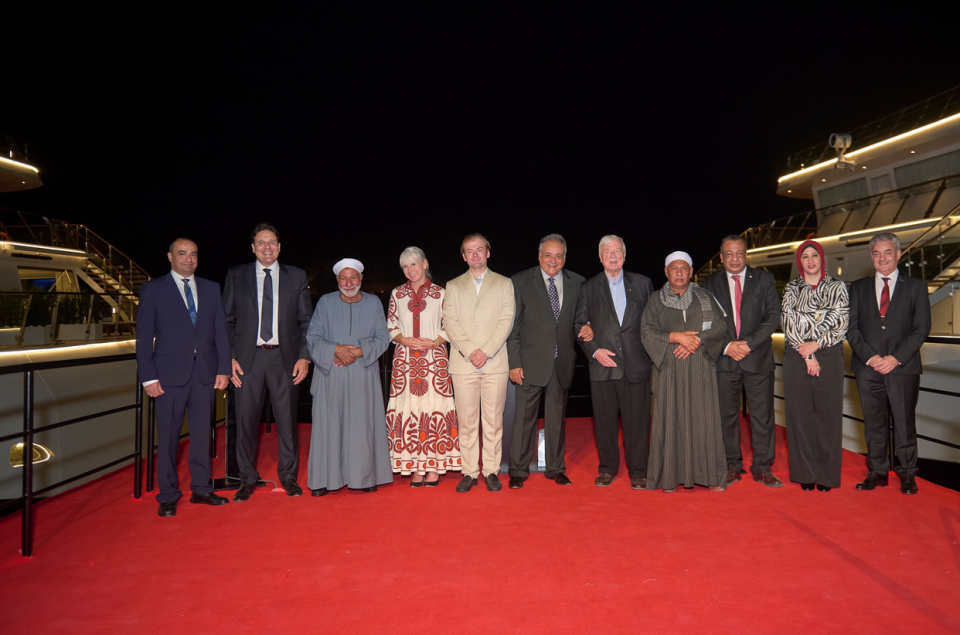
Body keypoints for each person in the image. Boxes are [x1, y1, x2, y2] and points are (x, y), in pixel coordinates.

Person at [136, 238, 232, 517]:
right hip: (166, 377)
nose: (188, 259)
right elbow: (143, 339)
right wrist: (148, 377)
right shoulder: (153, 290)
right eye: (182, 253)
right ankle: (167, 494)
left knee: (203, 435)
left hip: (204, 374)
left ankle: (201, 489)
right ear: (170, 256)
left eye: (193, 254)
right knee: (167, 438)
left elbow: (220, 334)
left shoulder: (211, 288)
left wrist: (223, 368)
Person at [222, 223, 313, 501]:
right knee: (246, 423)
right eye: (261, 243)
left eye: (272, 242)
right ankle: (247, 479)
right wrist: (229, 359)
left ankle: (288, 477)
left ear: (280, 246)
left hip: (284, 359)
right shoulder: (237, 275)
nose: (267, 247)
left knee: (287, 423)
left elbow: (306, 321)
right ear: (253, 248)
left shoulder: (296, 276)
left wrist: (304, 357)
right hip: (247, 360)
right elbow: (226, 321)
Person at [848, 232, 930, 495]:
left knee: (905, 422)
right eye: (876, 253)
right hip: (867, 367)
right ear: (871, 256)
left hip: (902, 368)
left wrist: (895, 358)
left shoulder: (916, 286)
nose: (881, 258)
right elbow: (851, 329)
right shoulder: (858, 287)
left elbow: (921, 329)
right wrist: (871, 357)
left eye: (887, 252)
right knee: (873, 423)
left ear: (898, 254)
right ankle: (877, 472)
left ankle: (908, 475)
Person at [640, 251, 727, 492]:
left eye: (684, 269)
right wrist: (675, 337)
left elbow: (721, 326)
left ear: (691, 272)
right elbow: (646, 331)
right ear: (666, 272)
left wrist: (697, 339)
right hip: (669, 369)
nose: (679, 273)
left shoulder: (706, 297)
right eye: (674, 269)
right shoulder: (655, 300)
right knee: (670, 419)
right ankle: (669, 476)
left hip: (701, 368)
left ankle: (710, 475)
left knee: (704, 419)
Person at [305, 258, 392, 495]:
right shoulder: (325, 301)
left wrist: (358, 352)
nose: (349, 282)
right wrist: (337, 349)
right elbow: (313, 337)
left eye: (353, 277)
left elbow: (383, 338)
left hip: (363, 373)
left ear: (361, 278)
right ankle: (325, 479)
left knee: (362, 425)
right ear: (337, 280)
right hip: (331, 373)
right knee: (329, 425)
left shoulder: (374, 302)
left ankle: (364, 477)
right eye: (343, 278)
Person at [506, 234, 588, 488]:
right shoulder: (520, 281)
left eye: (559, 255)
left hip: (561, 362)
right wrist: (514, 362)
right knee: (523, 420)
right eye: (548, 255)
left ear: (565, 258)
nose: (553, 260)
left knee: (556, 419)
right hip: (529, 363)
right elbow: (513, 327)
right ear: (539, 256)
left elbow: (579, 320)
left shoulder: (578, 282)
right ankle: (518, 471)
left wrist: (586, 328)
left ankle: (556, 468)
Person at [574, 235, 654, 489]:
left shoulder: (643, 283)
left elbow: (652, 323)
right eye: (607, 251)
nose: (612, 255)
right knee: (605, 422)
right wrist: (594, 351)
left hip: (636, 365)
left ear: (624, 255)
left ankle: (639, 471)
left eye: (617, 250)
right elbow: (579, 324)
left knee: (638, 423)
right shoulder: (587, 287)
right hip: (602, 365)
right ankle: (607, 469)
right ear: (599, 257)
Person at [702, 235, 782, 488]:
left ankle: (762, 466)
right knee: (725, 416)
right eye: (729, 254)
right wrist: (726, 345)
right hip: (724, 360)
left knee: (762, 416)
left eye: (739, 253)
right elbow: (706, 321)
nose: (734, 258)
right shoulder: (709, 283)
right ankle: (731, 465)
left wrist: (748, 344)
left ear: (745, 255)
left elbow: (772, 315)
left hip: (757, 358)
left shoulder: (764, 279)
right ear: (721, 257)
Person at [442, 233, 515, 493]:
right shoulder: (453, 285)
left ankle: (491, 471)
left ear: (488, 253)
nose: (475, 254)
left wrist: (486, 351)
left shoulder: (505, 283)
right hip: (463, 364)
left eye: (479, 249)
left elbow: (506, 321)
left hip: (494, 362)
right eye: (469, 251)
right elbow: (449, 322)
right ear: (463, 256)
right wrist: (472, 351)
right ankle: (469, 472)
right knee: (467, 421)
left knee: (494, 421)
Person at [385, 247, 461, 487]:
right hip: (405, 362)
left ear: (425, 264)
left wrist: (435, 340)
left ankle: (434, 466)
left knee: (434, 411)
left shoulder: (442, 294)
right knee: (409, 411)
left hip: (434, 361)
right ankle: (413, 465)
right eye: (405, 267)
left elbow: (453, 325)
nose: (410, 270)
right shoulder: (397, 294)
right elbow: (389, 326)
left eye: (414, 265)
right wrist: (403, 339)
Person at [781, 240, 849, 492]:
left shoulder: (838, 286)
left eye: (814, 256)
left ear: (822, 259)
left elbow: (840, 322)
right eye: (805, 256)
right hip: (797, 357)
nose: (810, 260)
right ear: (800, 261)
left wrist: (816, 344)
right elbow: (789, 323)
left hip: (830, 356)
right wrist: (807, 353)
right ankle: (805, 473)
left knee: (828, 417)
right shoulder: (791, 288)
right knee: (799, 417)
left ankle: (827, 476)